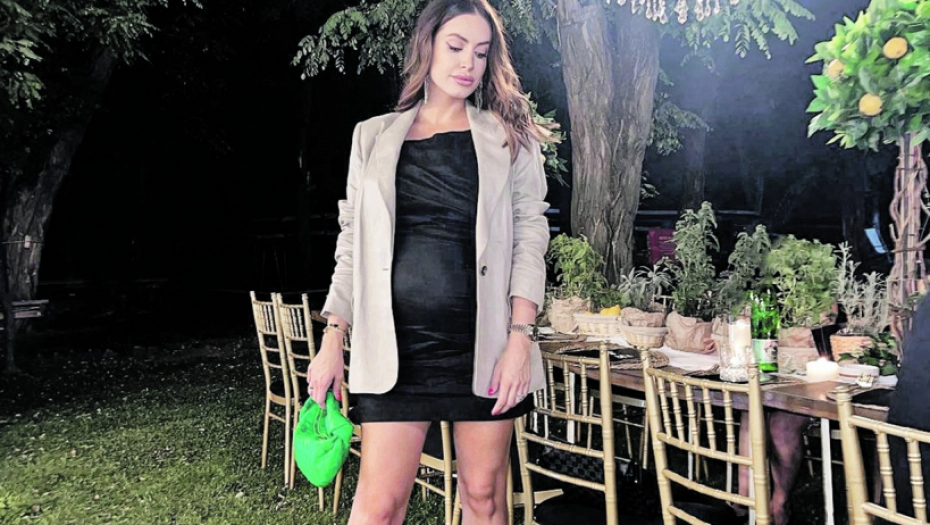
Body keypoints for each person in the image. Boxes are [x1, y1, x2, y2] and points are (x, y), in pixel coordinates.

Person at [307, 1, 554, 523]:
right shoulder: (371, 137)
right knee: (378, 507)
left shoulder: (509, 137)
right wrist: (332, 338)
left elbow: (531, 237)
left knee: (484, 498)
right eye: (456, 46)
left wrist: (520, 338)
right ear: (428, 46)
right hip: (393, 350)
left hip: (483, 348)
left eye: (481, 53)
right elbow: (351, 244)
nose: (468, 63)